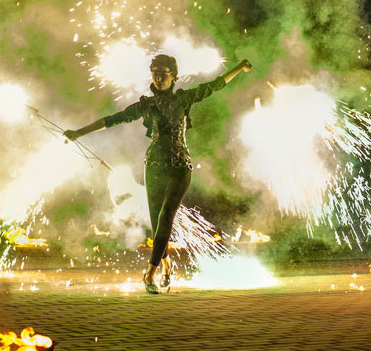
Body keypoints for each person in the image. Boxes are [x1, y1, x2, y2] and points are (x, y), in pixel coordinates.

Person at [64, 55, 253, 294]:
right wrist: (78, 133)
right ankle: (166, 264)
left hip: (180, 166)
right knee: (157, 224)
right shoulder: (147, 105)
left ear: (174, 76)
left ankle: (149, 274)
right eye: (155, 73)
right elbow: (112, 120)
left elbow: (215, 85)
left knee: (166, 218)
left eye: (164, 74)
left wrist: (239, 67)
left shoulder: (184, 98)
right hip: (153, 167)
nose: (159, 78)